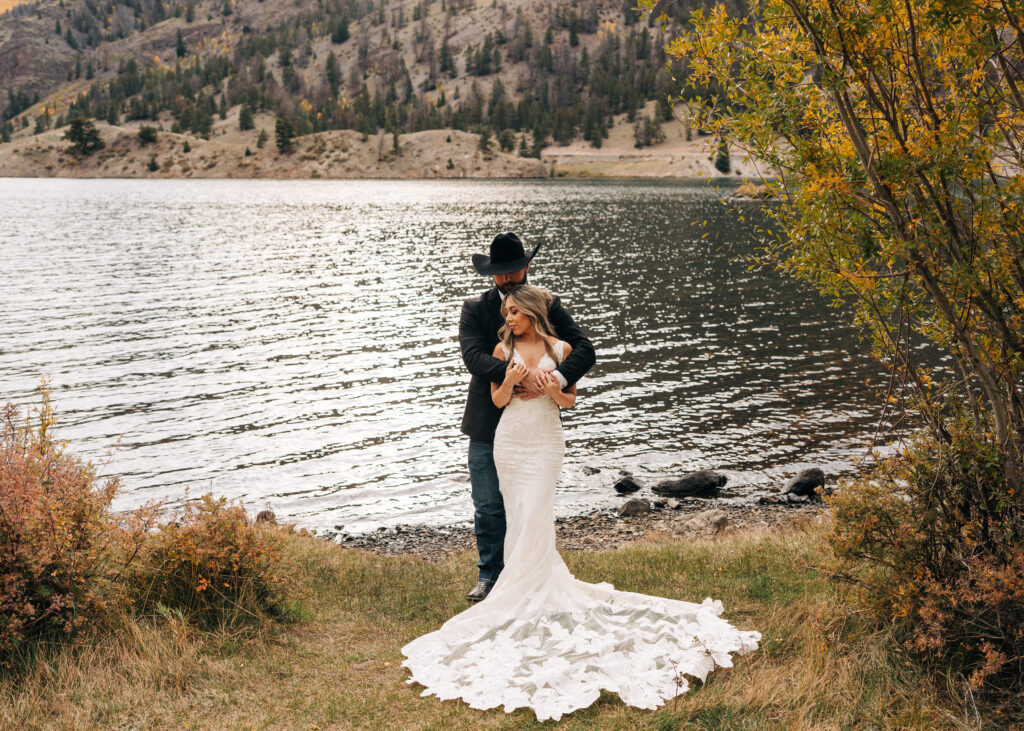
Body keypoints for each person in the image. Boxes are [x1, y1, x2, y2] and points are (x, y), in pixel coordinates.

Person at [401, 284, 761, 722]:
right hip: (510, 440)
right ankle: (518, 588)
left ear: (532, 312)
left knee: (537, 513)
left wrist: (554, 389)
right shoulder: (501, 349)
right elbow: (496, 400)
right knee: (518, 516)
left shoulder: (562, 347)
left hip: (546, 440)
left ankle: (530, 587)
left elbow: (569, 400)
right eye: (506, 312)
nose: (508, 318)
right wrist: (511, 381)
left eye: (514, 312)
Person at [456, 232, 595, 602]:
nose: (507, 278)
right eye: (500, 273)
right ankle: (490, 576)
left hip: (536, 426)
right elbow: (473, 358)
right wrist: (515, 374)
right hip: (489, 421)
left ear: (526, 267)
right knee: (488, 504)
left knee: (531, 504)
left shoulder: (546, 304)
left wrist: (556, 379)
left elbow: (584, 349)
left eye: (513, 270)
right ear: (492, 274)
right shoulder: (475, 309)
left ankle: (526, 575)